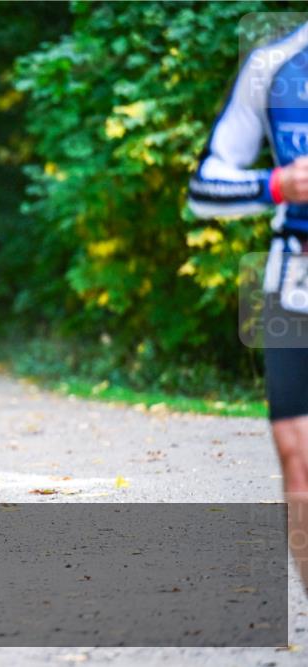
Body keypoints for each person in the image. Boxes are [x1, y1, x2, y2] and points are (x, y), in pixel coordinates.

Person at [187, 23, 308, 585]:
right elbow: (206, 187)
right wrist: (277, 184)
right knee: (295, 450)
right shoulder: (274, 64)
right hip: (295, 274)